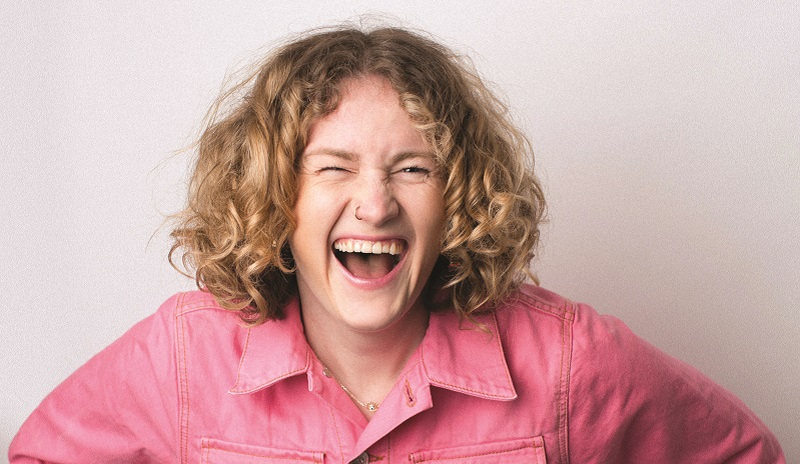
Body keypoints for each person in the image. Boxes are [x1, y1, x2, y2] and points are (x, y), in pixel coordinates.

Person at [9, 24, 784, 464]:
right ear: (276, 194)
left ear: (459, 197)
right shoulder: (184, 358)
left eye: (413, 168)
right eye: (334, 167)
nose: (375, 205)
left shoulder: (568, 360)